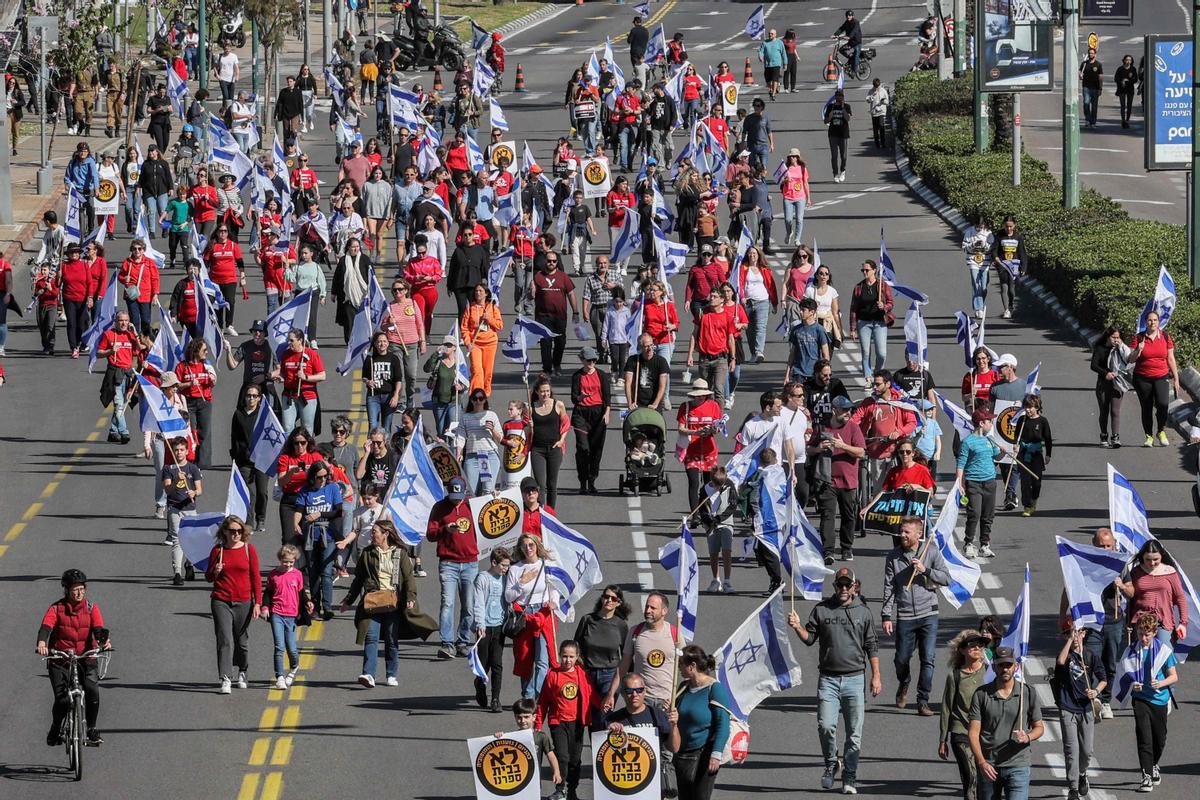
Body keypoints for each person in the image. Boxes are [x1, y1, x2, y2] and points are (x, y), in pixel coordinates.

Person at [787, 566, 881, 794]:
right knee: (826, 726)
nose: (844, 588)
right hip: (828, 679)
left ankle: (850, 775)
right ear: (835, 586)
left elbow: (871, 645)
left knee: (854, 734)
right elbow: (810, 639)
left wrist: (876, 675)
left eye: (848, 585)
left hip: (855, 680)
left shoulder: (864, 613)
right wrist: (797, 626)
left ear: (854, 587)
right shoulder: (822, 610)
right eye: (840, 584)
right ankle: (831, 763)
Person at [340, 519, 429, 688]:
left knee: (390, 638)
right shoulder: (367, 553)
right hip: (373, 601)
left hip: (393, 602)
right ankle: (368, 674)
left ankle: (391, 674)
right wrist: (348, 600)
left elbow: (409, 578)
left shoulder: (400, 553)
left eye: (375, 532)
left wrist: (410, 598)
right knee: (371, 637)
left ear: (386, 534)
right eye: (372, 531)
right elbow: (358, 579)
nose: (372, 534)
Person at [881, 517, 949, 716]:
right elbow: (888, 586)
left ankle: (922, 700)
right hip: (906, 615)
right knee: (902, 659)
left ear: (919, 534)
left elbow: (946, 578)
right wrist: (886, 615)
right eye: (901, 531)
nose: (902, 535)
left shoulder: (931, 551)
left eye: (906, 532)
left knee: (928, 658)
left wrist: (925, 570)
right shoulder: (893, 557)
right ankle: (904, 682)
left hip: (929, 613)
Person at [37, 569, 112, 747]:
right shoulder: (56, 608)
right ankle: (55, 729)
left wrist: (103, 642)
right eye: (75, 590)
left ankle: (91, 729)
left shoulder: (91, 608)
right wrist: (42, 643)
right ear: (66, 591)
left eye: (82, 589)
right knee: (62, 699)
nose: (79, 593)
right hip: (60, 659)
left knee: (92, 690)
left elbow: (98, 628)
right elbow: (46, 627)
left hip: (85, 658)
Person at [968, 646, 1045, 800]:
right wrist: (982, 762)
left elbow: (1039, 727)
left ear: (1015, 667)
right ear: (994, 667)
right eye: (1001, 665)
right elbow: (973, 733)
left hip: (1018, 764)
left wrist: (1027, 737)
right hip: (989, 765)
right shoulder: (981, 694)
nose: (1005, 669)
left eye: (1008, 665)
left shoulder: (1027, 692)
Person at [1118, 612, 1179, 792]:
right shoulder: (1131, 651)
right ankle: (1146, 776)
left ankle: (1153, 765)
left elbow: (1174, 676)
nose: (1143, 638)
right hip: (1140, 699)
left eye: (1146, 634)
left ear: (1154, 633)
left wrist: (1160, 683)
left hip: (1159, 699)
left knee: (1159, 739)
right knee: (1144, 737)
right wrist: (1132, 686)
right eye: (1140, 634)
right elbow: (1124, 674)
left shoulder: (1163, 651)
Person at [205, 516, 262, 694]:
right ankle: (226, 677)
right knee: (224, 639)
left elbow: (256, 578)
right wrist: (215, 571)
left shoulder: (248, 549)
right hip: (221, 600)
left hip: (244, 601)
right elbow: (208, 577)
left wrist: (258, 602)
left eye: (239, 531)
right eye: (232, 531)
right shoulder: (218, 550)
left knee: (241, 640)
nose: (236, 534)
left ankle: (242, 671)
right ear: (225, 532)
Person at [426, 477, 480, 660]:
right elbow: (430, 535)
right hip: (448, 562)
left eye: (459, 496)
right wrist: (444, 529)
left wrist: (494, 498)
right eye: (453, 496)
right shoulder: (439, 507)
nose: (456, 500)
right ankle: (447, 643)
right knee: (448, 603)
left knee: (469, 605)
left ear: (465, 492)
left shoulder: (473, 506)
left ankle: (463, 641)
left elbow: (490, 519)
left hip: (470, 562)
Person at [810, 395, 865, 562]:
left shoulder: (853, 428)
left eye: (850, 409)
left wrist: (843, 446)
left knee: (849, 516)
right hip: (827, 480)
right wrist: (819, 448)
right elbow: (809, 450)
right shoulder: (822, 428)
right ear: (834, 411)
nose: (848, 412)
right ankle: (828, 551)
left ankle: (846, 548)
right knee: (828, 515)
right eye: (845, 410)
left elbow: (861, 452)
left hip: (849, 481)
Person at [506, 533, 561, 699]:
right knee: (525, 658)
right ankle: (527, 697)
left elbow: (555, 587)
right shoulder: (515, 569)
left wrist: (554, 602)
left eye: (531, 545)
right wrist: (521, 583)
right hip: (524, 614)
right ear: (520, 548)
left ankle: (539, 696)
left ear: (537, 545)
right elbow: (508, 596)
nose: (528, 548)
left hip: (543, 613)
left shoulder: (547, 565)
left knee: (543, 661)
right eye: (524, 546)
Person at [1054, 627, 1106, 800]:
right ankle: (1073, 788)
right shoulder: (1066, 655)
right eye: (1072, 632)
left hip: (1085, 708)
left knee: (1086, 750)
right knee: (1071, 750)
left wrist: (1096, 691)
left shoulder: (1090, 655)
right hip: (1067, 707)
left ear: (1084, 634)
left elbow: (1103, 679)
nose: (1076, 636)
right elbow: (1060, 662)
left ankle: (1083, 773)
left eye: (1078, 633)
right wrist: (1070, 640)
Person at [674, 645, 733, 800]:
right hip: (683, 753)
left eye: (681, 664)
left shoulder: (714, 689)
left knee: (700, 796)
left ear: (692, 666)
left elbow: (723, 724)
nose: (678, 668)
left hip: (705, 753)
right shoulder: (683, 688)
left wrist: (716, 754)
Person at [535, 640, 592, 800]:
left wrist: (603, 703)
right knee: (563, 757)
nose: (567, 660)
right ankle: (560, 789)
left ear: (577, 657)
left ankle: (572, 790)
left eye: (571, 657)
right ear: (560, 655)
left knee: (575, 760)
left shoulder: (581, 674)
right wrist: (538, 722)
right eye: (565, 656)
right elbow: (543, 701)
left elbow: (590, 695)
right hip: (558, 722)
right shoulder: (553, 674)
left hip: (578, 723)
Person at [604, 591, 678, 711]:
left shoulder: (675, 634)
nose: (648, 610)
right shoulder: (635, 632)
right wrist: (611, 694)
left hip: (667, 701)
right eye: (647, 607)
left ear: (664, 611)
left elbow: (685, 669)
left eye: (653, 608)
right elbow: (623, 667)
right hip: (642, 699)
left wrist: (677, 697)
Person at [939, 630, 989, 800]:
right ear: (961, 650)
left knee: (985, 780)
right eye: (971, 645)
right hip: (961, 733)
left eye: (980, 645)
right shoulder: (955, 676)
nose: (976, 648)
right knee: (971, 775)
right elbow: (946, 707)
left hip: (986, 733)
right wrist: (942, 740)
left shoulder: (990, 672)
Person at [293, 461, 346, 620]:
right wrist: (295, 523)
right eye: (319, 477)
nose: (323, 479)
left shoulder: (332, 488)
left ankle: (327, 607)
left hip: (328, 534)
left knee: (326, 571)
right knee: (313, 571)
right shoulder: (305, 491)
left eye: (325, 476)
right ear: (312, 477)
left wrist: (319, 514)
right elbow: (299, 510)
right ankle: (315, 606)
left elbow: (338, 511)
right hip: (311, 535)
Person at [574, 585, 631, 726]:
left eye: (613, 598)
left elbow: (627, 654)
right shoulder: (587, 620)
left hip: (610, 675)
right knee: (591, 716)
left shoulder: (621, 625)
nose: (609, 600)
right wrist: (580, 667)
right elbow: (575, 647)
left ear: (618, 603)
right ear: (601, 598)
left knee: (604, 713)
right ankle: (596, 746)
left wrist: (630, 678)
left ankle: (604, 745)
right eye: (606, 597)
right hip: (588, 673)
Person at [261, 545, 313, 690]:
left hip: (291, 615)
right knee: (279, 646)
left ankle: (294, 667)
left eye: (291, 562)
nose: (288, 565)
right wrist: (265, 608)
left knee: (292, 648)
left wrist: (308, 602)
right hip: (276, 613)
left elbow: (301, 594)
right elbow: (268, 593)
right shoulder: (273, 575)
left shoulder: (297, 575)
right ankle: (280, 676)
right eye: (285, 561)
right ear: (280, 559)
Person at [1119, 540, 1188, 646]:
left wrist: (1183, 623)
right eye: (1148, 560)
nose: (1151, 563)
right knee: (1140, 657)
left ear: (1162, 556)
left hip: (1163, 621)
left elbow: (1180, 598)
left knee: (1164, 655)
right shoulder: (1136, 572)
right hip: (1140, 621)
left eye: (1156, 559)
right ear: (1142, 557)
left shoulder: (1170, 572)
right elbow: (1130, 595)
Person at [1127, 311, 1180, 448]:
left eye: (1155, 320)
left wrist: (1176, 378)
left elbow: (1170, 358)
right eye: (1150, 320)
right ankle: (1149, 436)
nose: (1152, 323)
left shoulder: (1165, 337)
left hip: (1161, 376)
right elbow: (1130, 360)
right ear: (1146, 322)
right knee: (1147, 407)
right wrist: (1138, 350)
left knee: (1163, 404)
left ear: (1159, 322)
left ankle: (1161, 431)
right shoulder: (1139, 338)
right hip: (1142, 378)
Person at [472, 547, 513, 712]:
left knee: (497, 663)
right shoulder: (483, 578)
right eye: (503, 565)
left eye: (507, 565)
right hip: (485, 627)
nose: (506, 569)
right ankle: (479, 684)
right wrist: (480, 624)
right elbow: (479, 602)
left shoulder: (505, 578)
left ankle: (496, 698)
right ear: (493, 563)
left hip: (499, 626)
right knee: (483, 663)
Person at [97, 310, 146, 444]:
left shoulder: (130, 335)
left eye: (126, 320)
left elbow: (141, 348)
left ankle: (113, 431)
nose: (123, 323)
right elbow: (98, 353)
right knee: (119, 404)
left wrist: (135, 332)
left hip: (128, 373)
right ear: (115, 322)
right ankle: (124, 432)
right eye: (121, 320)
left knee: (123, 402)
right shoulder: (108, 334)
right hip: (115, 373)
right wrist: (110, 351)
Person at [161, 436, 203, 586]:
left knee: (191, 539)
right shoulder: (168, 469)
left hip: (190, 509)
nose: (179, 453)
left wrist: (194, 493)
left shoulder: (193, 468)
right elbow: (167, 489)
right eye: (176, 450)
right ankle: (177, 572)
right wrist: (176, 482)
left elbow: (199, 489)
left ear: (187, 451)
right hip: (175, 508)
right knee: (177, 540)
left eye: (181, 450)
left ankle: (189, 564)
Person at [531, 250, 579, 377]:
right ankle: (547, 368)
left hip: (560, 316)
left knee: (560, 342)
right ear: (545, 261)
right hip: (543, 316)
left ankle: (557, 364)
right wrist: (531, 291)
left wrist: (576, 312)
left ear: (557, 263)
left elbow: (571, 294)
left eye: (554, 261)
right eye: (549, 261)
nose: (551, 263)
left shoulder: (563, 276)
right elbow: (530, 297)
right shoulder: (538, 277)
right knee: (545, 343)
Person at [570, 347, 611, 495]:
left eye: (594, 360)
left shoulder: (601, 375)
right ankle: (582, 481)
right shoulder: (577, 376)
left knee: (596, 449)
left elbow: (607, 396)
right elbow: (574, 398)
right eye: (589, 360)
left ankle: (592, 480)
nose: (591, 363)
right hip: (581, 414)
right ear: (582, 360)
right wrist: (581, 397)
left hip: (598, 414)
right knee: (583, 448)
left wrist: (607, 412)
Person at [677, 379, 723, 511]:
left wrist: (714, 430)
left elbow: (718, 427)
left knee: (709, 484)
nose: (700, 397)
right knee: (693, 482)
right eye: (698, 395)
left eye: (703, 395)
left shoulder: (714, 406)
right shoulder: (685, 406)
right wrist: (695, 432)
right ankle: (695, 514)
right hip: (692, 450)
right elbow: (680, 428)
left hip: (709, 450)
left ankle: (705, 510)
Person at [502, 699, 563, 794]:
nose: (522, 721)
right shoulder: (511, 737)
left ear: (534, 717)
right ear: (515, 717)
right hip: (515, 779)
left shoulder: (541, 736)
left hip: (533, 780)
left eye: (526, 717)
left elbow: (551, 756)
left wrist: (556, 772)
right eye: (519, 717)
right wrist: (498, 737)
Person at [694, 466, 737, 593]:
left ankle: (727, 581)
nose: (719, 488)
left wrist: (720, 518)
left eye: (721, 485)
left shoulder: (729, 486)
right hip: (711, 525)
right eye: (716, 485)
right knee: (713, 553)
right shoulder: (705, 490)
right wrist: (707, 520)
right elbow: (702, 509)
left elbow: (733, 505)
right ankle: (715, 580)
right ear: (712, 481)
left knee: (726, 551)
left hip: (726, 523)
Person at [848, 259, 892, 382]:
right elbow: (853, 308)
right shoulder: (859, 287)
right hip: (863, 323)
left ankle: (877, 375)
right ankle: (867, 377)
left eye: (867, 270)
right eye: (863, 270)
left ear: (874, 270)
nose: (864, 272)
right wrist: (853, 329)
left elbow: (890, 303)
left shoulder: (882, 285)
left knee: (882, 354)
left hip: (880, 322)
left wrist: (884, 306)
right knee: (866, 352)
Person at [275, 328, 326, 432]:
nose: (289, 343)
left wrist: (305, 377)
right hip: (289, 395)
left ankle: (307, 448)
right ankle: (290, 447)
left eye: (292, 340)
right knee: (287, 427)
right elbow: (284, 372)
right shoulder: (286, 354)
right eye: (288, 340)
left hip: (307, 396)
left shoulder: (311, 354)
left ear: (300, 340)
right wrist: (281, 378)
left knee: (306, 427)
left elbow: (322, 376)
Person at [530, 376, 570, 508]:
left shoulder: (558, 405)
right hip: (537, 450)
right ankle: (540, 511)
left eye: (547, 391)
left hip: (554, 448)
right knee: (540, 484)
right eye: (542, 391)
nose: (545, 394)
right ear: (537, 392)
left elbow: (566, 424)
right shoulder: (531, 408)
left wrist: (561, 440)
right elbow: (525, 430)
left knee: (552, 484)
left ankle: (551, 513)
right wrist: (528, 424)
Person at [1090, 325, 1129, 448]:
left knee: (1115, 411)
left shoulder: (1120, 349)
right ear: (1108, 336)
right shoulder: (1100, 348)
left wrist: (1121, 348)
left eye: (1118, 338)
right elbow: (1093, 365)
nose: (1116, 340)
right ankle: (1103, 435)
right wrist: (1105, 373)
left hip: (1118, 383)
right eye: (1113, 337)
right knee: (1104, 410)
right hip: (1103, 383)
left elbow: (1129, 360)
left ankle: (1115, 437)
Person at [459, 389, 503, 495]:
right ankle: (472, 511)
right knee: (471, 491)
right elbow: (460, 437)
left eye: (481, 398)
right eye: (475, 399)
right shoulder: (465, 417)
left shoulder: (491, 415)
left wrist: (492, 429)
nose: (478, 401)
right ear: (471, 401)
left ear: (485, 400)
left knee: (488, 490)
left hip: (489, 454)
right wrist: (459, 453)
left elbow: (500, 438)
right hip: (472, 456)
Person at [461, 284, 502, 396]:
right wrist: (468, 343)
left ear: (486, 293)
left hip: (490, 343)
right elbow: (464, 328)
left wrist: (489, 319)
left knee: (487, 372)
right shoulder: (470, 308)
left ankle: (485, 394)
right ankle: (476, 394)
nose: (478, 293)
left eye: (480, 291)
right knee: (477, 370)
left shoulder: (492, 308)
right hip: (475, 344)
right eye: (476, 291)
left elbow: (499, 325)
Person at [331, 237, 372, 344]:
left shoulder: (365, 260)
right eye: (353, 247)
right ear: (348, 247)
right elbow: (337, 277)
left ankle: (363, 340)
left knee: (363, 320)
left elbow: (372, 276)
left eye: (357, 247)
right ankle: (349, 342)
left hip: (363, 296)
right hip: (347, 296)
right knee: (349, 321)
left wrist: (372, 291)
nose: (355, 249)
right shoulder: (344, 261)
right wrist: (333, 293)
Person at [362, 333, 403, 433]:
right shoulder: (370, 359)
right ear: (375, 344)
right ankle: (372, 447)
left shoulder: (394, 358)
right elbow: (364, 376)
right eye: (379, 341)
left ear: (388, 343)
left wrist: (396, 396)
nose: (382, 344)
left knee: (387, 426)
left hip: (389, 396)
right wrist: (368, 381)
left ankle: (385, 448)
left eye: (384, 341)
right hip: (373, 396)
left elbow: (398, 379)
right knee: (373, 425)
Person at [989, 216, 1026, 319]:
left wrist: (1023, 267)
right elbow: (994, 249)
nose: (1008, 229)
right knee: (1004, 286)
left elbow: (1022, 253)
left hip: (1014, 265)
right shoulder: (999, 235)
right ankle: (1006, 310)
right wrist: (996, 257)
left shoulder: (1018, 237)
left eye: (1010, 226)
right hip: (1003, 264)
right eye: (1006, 226)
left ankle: (1011, 305)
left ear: (1014, 225)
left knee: (1011, 289)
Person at [824, 89, 852, 183]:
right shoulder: (830, 107)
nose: (839, 97)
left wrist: (843, 108)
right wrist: (830, 117)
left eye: (841, 96)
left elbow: (848, 119)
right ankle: (835, 174)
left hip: (843, 134)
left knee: (843, 156)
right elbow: (825, 121)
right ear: (835, 97)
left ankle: (842, 171)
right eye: (837, 96)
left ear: (843, 97)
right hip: (833, 134)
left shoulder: (847, 106)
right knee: (834, 155)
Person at [1080, 47, 1103, 128]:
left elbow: (1100, 77)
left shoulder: (1098, 64)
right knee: (1086, 103)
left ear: (1095, 54)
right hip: (1086, 87)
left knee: (1094, 106)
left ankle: (1093, 122)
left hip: (1095, 88)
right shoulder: (1084, 64)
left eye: (1092, 53)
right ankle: (1087, 119)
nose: (1091, 54)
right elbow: (1080, 74)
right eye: (1089, 53)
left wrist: (1100, 88)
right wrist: (1080, 76)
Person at [1115, 54, 1138, 128]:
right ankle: (1123, 120)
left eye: (1130, 60)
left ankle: (1127, 120)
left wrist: (1128, 81)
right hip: (1122, 89)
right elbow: (1116, 78)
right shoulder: (1120, 69)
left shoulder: (1133, 69)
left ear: (1131, 61)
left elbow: (1135, 79)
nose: (1128, 61)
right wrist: (1122, 81)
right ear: (1124, 60)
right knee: (1123, 106)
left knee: (1129, 106)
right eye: (1127, 60)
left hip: (1130, 89)